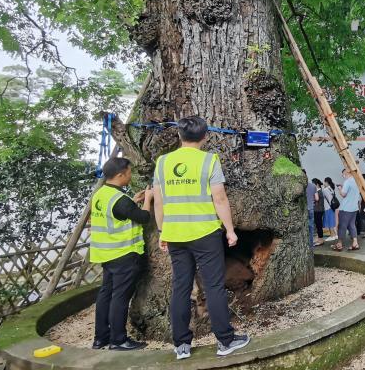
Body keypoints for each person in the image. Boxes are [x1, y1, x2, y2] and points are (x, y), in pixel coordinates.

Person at [153, 116, 250, 360]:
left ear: (179, 135)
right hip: (205, 233)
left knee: (181, 287)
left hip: (175, 235)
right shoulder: (209, 160)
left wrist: (161, 230)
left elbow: (159, 201)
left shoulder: (163, 162)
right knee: (214, 286)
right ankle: (225, 341)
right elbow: (219, 198)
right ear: (205, 136)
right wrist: (229, 229)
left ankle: (182, 345)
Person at [91, 157, 151, 351]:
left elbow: (118, 213)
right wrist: (148, 200)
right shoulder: (120, 200)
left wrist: (133, 201)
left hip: (106, 254)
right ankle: (118, 340)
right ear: (120, 175)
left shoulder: (101, 194)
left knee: (106, 294)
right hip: (124, 254)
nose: (130, 175)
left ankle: (101, 338)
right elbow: (143, 217)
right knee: (120, 297)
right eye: (128, 172)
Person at [332, 169, 360, 251]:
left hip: (346, 208)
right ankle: (355, 243)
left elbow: (343, 194)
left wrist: (340, 188)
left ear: (346, 173)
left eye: (343, 174)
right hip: (354, 208)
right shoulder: (356, 181)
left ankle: (339, 244)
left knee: (342, 226)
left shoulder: (347, 181)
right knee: (352, 225)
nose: (342, 176)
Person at [304, 171, 317, 248]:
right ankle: (311, 245)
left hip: (303, 210)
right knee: (311, 228)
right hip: (311, 209)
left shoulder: (299, 186)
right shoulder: (313, 186)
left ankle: (305, 246)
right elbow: (316, 198)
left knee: (303, 228)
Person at [312, 178, 325, 247]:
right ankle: (319, 239)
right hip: (319, 210)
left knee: (319, 225)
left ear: (316, 184)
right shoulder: (319, 191)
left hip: (318, 211)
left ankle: (320, 240)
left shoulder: (319, 192)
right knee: (318, 225)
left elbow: (315, 200)